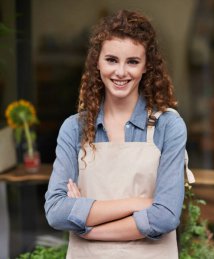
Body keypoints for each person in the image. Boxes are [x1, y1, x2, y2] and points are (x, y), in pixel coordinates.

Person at [44, 9, 190, 259]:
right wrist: (139, 204)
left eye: (132, 61)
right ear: (97, 62)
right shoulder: (74, 129)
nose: (121, 72)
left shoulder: (169, 127)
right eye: (112, 60)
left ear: (146, 67)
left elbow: (165, 216)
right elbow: (56, 211)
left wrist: (88, 228)